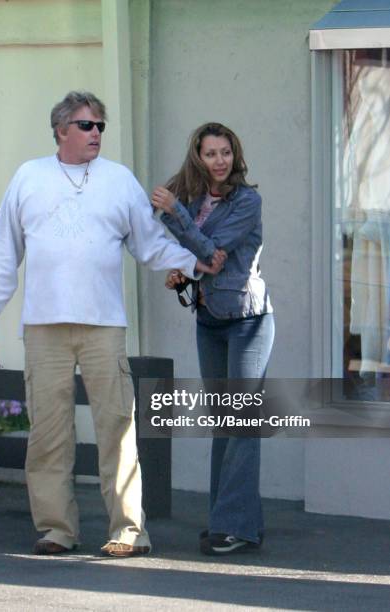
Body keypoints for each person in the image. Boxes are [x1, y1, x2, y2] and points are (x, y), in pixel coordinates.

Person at [0, 92, 224, 558]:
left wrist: (196, 262)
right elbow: (5, 250)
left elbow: (149, 245)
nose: (96, 134)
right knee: (48, 431)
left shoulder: (118, 180)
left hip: (104, 325)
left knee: (117, 427)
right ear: (62, 130)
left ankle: (129, 530)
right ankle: (56, 529)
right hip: (44, 326)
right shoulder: (29, 177)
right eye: (87, 126)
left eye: (100, 126)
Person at [151, 122, 274, 555]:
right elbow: (200, 257)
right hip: (209, 319)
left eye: (225, 153)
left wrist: (182, 224)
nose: (219, 161)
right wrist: (183, 270)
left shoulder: (247, 201)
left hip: (247, 320)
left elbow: (214, 254)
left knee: (242, 423)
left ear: (234, 156)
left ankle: (231, 526)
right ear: (198, 157)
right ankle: (240, 523)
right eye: (211, 154)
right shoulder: (197, 201)